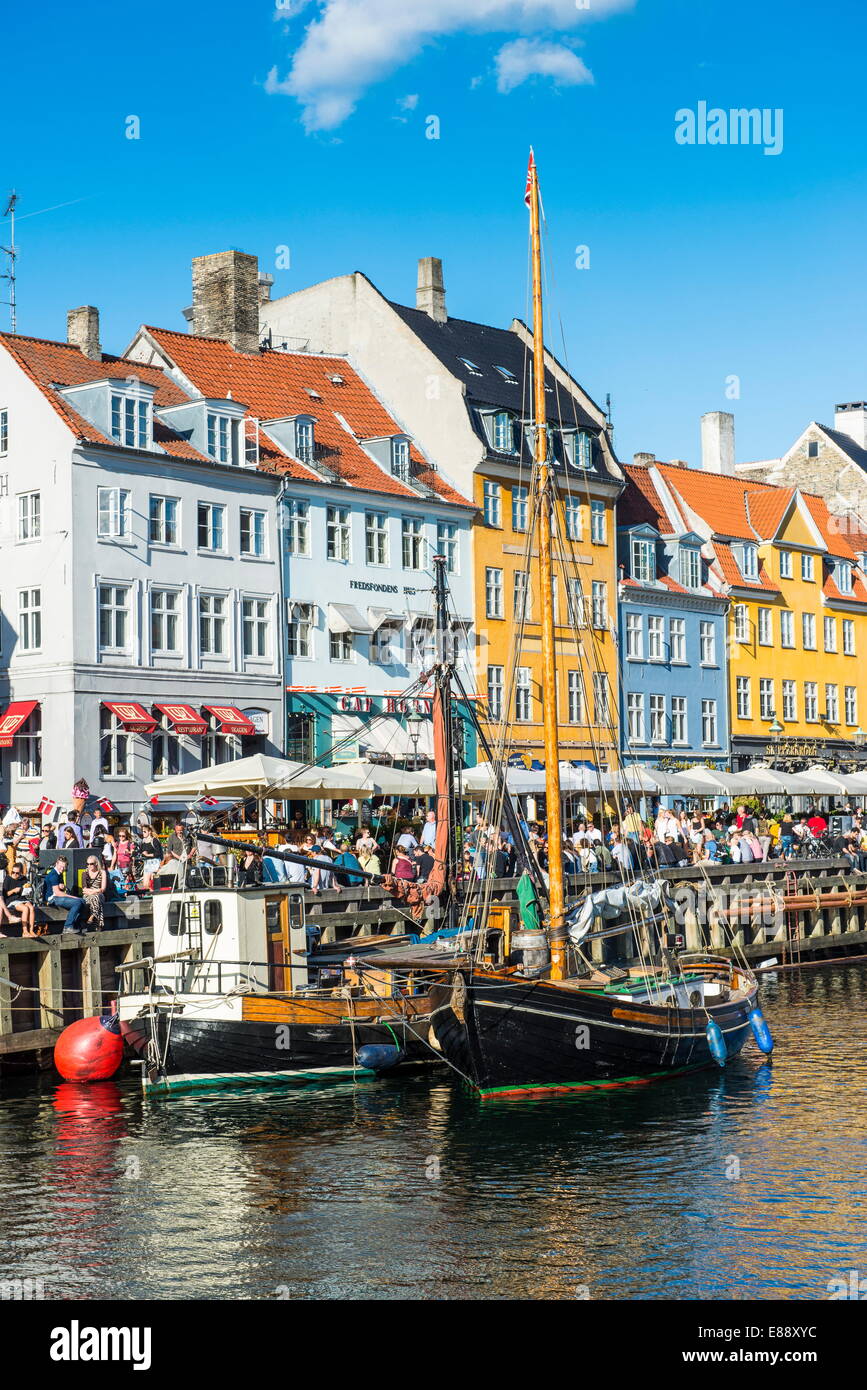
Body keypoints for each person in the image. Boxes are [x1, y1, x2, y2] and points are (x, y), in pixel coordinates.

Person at [44, 856, 90, 934]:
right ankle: (67, 926)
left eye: (64, 867)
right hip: (52, 899)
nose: (62, 869)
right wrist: (73, 897)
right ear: (56, 864)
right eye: (61, 866)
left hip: (57, 896)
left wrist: (61, 886)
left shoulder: (59, 873)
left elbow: (57, 888)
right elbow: (57, 893)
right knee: (77, 902)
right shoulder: (54, 875)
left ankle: (77, 924)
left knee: (82, 901)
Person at [1, 861, 40, 936]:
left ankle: (31, 930)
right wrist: (13, 890)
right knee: (25, 908)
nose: (14, 874)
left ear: (21, 873)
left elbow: (25, 891)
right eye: (13, 872)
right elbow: (4, 895)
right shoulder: (8, 879)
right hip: (11, 900)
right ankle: (24, 931)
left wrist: (27, 889)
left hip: (21, 898)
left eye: (17, 873)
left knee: (31, 908)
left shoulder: (23, 879)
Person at [81, 855, 108, 928]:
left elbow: (103, 889)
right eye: (87, 864)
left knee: (96, 897)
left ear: (96, 863)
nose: (89, 866)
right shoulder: (85, 872)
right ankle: (95, 917)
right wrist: (94, 891)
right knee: (95, 897)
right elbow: (84, 889)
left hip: (100, 895)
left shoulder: (102, 872)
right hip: (88, 895)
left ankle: (92, 916)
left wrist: (93, 892)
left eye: (91, 864)